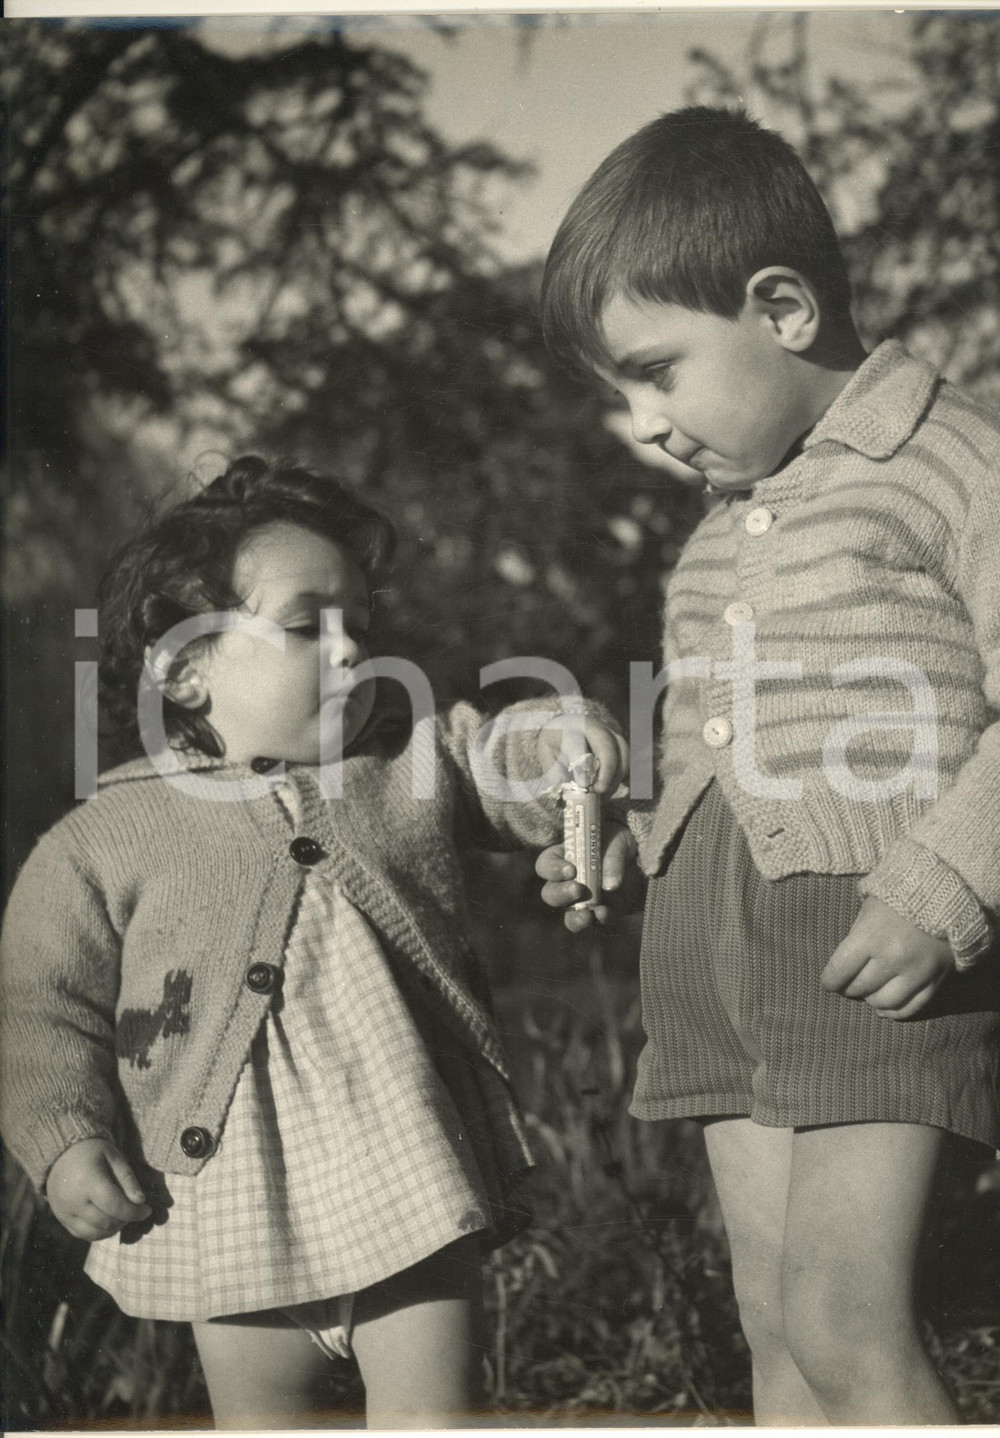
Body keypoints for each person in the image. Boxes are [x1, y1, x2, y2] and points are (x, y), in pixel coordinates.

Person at [535, 106, 1000, 1425]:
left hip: (872, 935)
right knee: (772, 1330)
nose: (639, 426)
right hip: (713, 952)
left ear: (783, 308)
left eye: (656, 371)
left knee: (846, 1319)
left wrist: (946, 883)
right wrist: (637, 842)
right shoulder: (712, 538)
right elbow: (705, 749)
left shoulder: (957, 460)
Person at [0, 455, 626, 1431]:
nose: (351, 654)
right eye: (306, 626)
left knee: (435, 1417)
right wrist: (65, 1139)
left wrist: (565, 744)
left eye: (360, 628)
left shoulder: (407, 762)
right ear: (185, 666)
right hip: (222, 1191)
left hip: (404, 1165)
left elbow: (505, 751)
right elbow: (42, 1008)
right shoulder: (103, 838)